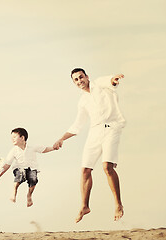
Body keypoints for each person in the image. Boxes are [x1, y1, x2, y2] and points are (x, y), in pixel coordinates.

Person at [53, 68, 126, 223]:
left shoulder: (99, 84)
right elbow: (77, 125)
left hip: (112, 126)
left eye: (81, 77)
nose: (80, 81)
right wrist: (62, 139)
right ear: (74, 83)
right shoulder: (82, 102)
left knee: (107, 166)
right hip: (95, 130)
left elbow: (110, 80)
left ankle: (118, 204)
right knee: (85, 169)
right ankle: (84, 206)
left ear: (87, 76)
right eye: (76, 80)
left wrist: (114, 79)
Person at [0, 128, 56, 207]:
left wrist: (54, 148)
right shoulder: (14, 150)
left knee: (33, 179)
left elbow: (44, 149)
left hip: (31, 168)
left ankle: (29, 195)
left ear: (22, 138)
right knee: (20, 175)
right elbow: (7, 164)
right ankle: (14, 192)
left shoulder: (32, 147)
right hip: (19, 168)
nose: (12, 139)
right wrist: (0, 173)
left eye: (14, 137)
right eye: (11, 138)